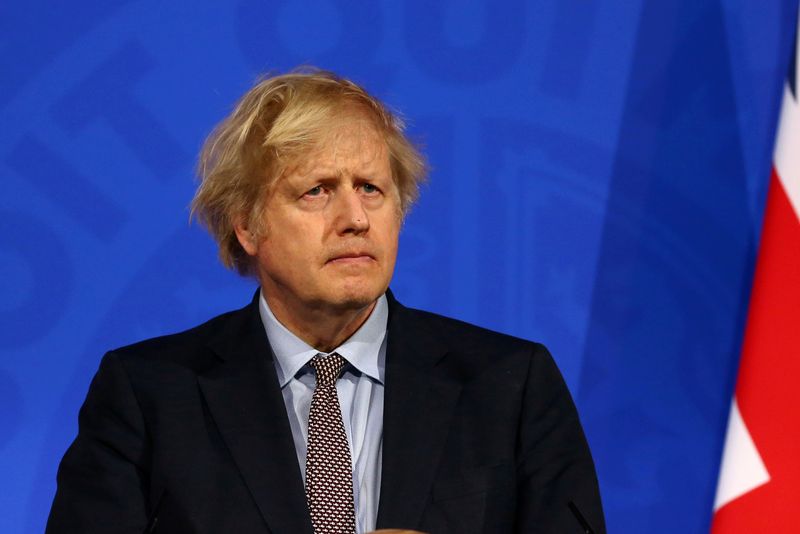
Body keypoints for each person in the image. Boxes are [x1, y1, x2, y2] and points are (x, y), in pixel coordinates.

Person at [47, 68, 605, 534]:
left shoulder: (510, 386)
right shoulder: (149, 397)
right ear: (247, 226)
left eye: (371, 188)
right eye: (316, 191)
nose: (355, 219)